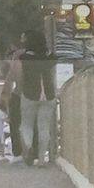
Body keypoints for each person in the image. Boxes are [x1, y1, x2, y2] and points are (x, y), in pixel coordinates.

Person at [17, 30, 57, 166]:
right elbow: (53, 75)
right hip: (49, 93)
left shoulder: (24, 57)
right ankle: (41, 159)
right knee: (44, 127)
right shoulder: (50, 56)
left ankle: (28, 147)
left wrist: (19, 90)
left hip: (30, 93)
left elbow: (20, 76)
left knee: (26, 124)